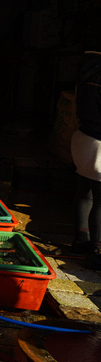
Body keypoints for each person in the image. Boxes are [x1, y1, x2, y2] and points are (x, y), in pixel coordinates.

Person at [72, 51, 101, 269]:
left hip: (82, 139)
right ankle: (96, 250)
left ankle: (81, 239)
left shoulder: (89, 72)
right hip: (100, 145)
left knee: (85, 194)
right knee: (100, 201)